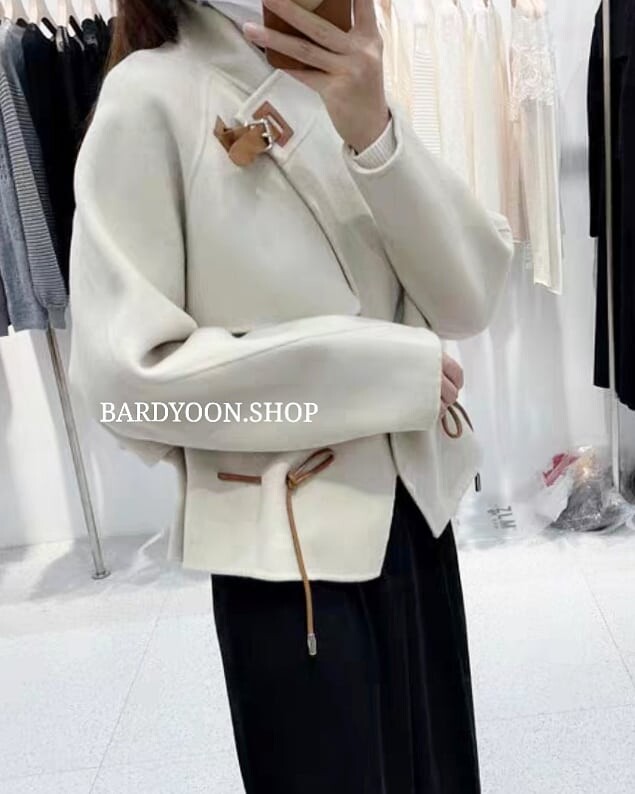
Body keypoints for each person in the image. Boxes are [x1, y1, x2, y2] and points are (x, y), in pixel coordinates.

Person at [68, 0, 514, 791]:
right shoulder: (150, 96)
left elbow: (468, 300)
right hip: (289, 560)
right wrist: (378, 373)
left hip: (415, 520)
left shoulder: (339, 81)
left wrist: (375, 131)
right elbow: (132, 389)